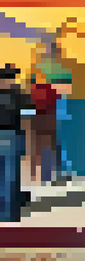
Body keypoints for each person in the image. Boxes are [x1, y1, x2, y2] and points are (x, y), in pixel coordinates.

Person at [0, 65, 33, 223]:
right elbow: (29, 117)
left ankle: (6, 212)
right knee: (11, 176)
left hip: (12, 135)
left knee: (7, 176)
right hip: (13, 136)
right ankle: (10, 214)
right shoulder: (20, 95)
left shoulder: (20, 95)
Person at [23, 71, 58, 187]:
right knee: (47, 148)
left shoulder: (31, 91)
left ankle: (33, 175)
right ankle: (46, 176)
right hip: (50, 120)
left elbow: (28, 107)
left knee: (34, 148)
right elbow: (56, 103)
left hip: (36, 121)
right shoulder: (51, 89)